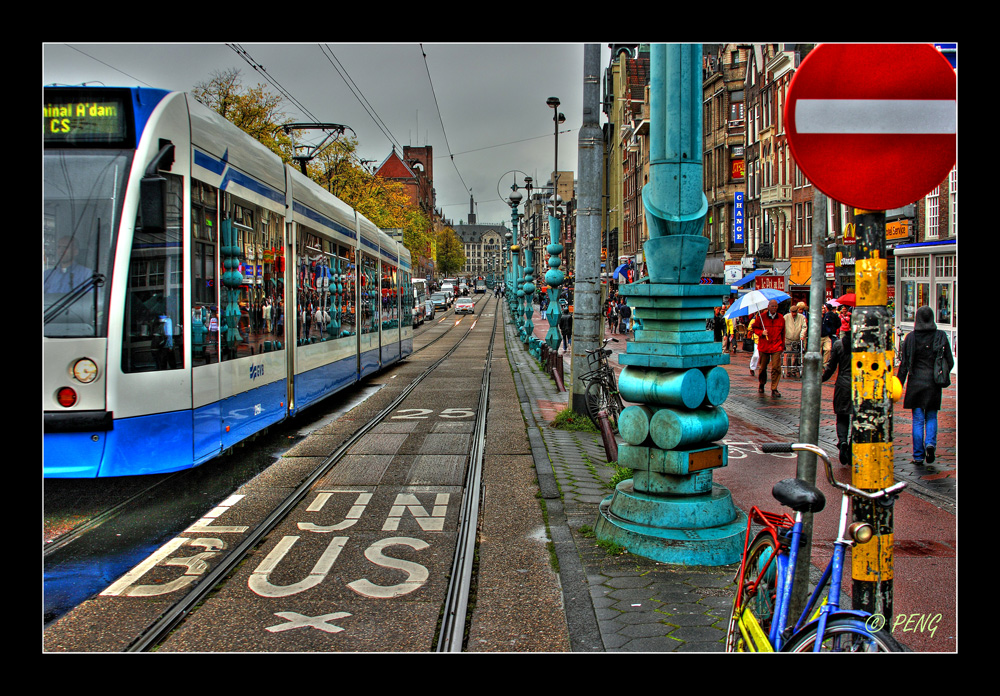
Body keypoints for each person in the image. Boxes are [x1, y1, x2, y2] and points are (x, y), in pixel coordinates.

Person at [896, 306, 954, 465]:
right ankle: (930, 444)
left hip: (915, 382)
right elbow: (950, 361)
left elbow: (904, 364)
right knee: (932, 416)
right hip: (933, 382)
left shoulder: (910, 338)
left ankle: (918, 455)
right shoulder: (940, 336)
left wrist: (898, 383)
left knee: (917, 420)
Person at [821, 323, 853, 465]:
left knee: (842, 416)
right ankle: (852, 445)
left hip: (843, 384)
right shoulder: (864, 345)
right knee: (858, 419)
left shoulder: (839, 345)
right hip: (860, 385)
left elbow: (831, 367)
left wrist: (821, 379)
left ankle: (843, 440)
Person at [749, 299, 786, 397]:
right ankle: (762, 383)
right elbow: (754, 327)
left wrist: (782, 346)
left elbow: (783, 332)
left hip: (776, 345)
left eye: (775, 306)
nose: (774, 308)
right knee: (762, 368)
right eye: (772, 306)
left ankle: (774, 388)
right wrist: (762, 333)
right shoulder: (762, 317)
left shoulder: (781, 318)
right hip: (765, 345)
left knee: (776, 367)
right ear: (768, 306)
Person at [783, 301, 807, 378]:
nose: (794, 314)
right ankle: (789, 370)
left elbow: (804, 327)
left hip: (797, 339)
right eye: (792, 312)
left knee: (796, 355)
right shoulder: (786, 317)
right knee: (789, 354)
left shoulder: (801, 317)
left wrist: (802, 335)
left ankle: (794, 369)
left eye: (795, 312)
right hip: (788, 338)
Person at [820, 303, 840, 369]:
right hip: (819, 337)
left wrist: (830, 331)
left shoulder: (827, 316)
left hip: (826, 336)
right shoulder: (816, 317)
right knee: (819, 351)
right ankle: (818, 363)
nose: (823, 310)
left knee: (828, 349)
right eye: (822, 308)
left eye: (824, 308)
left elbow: (833, 324)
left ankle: (825, 363)